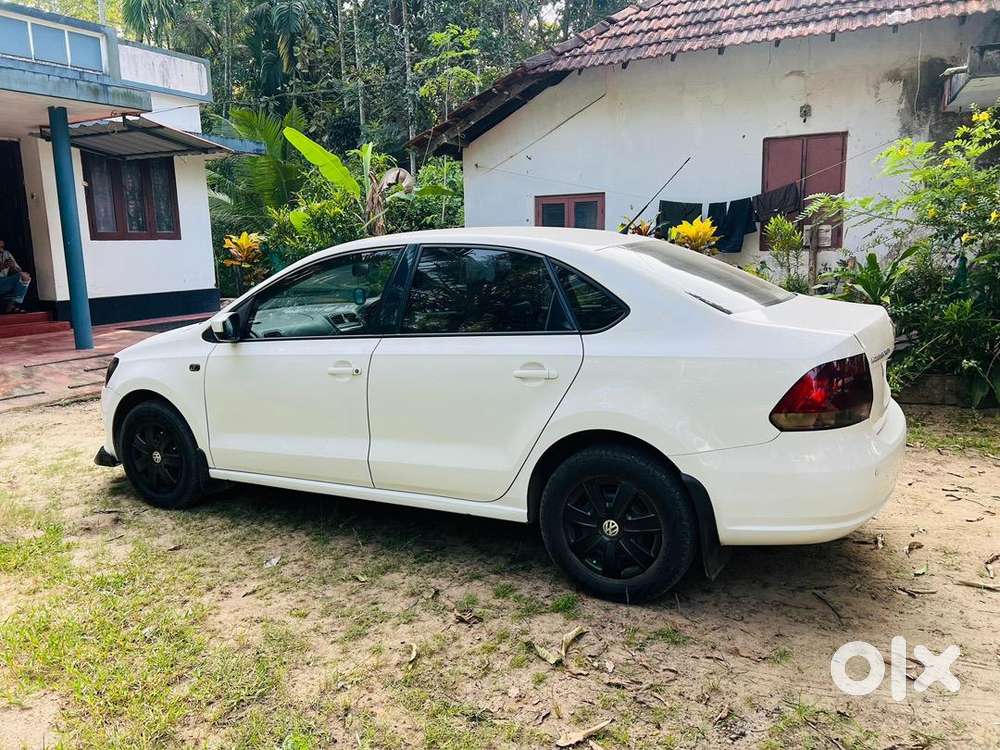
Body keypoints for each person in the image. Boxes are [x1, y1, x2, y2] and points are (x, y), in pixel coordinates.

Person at [0, 240, 31, 314]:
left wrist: (13, 267)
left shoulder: (6, 253)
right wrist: (2, 266)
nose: (1, 249)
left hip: (4, 282)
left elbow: (19, 271)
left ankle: (13, 304)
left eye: (2, 247)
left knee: (25, 276)